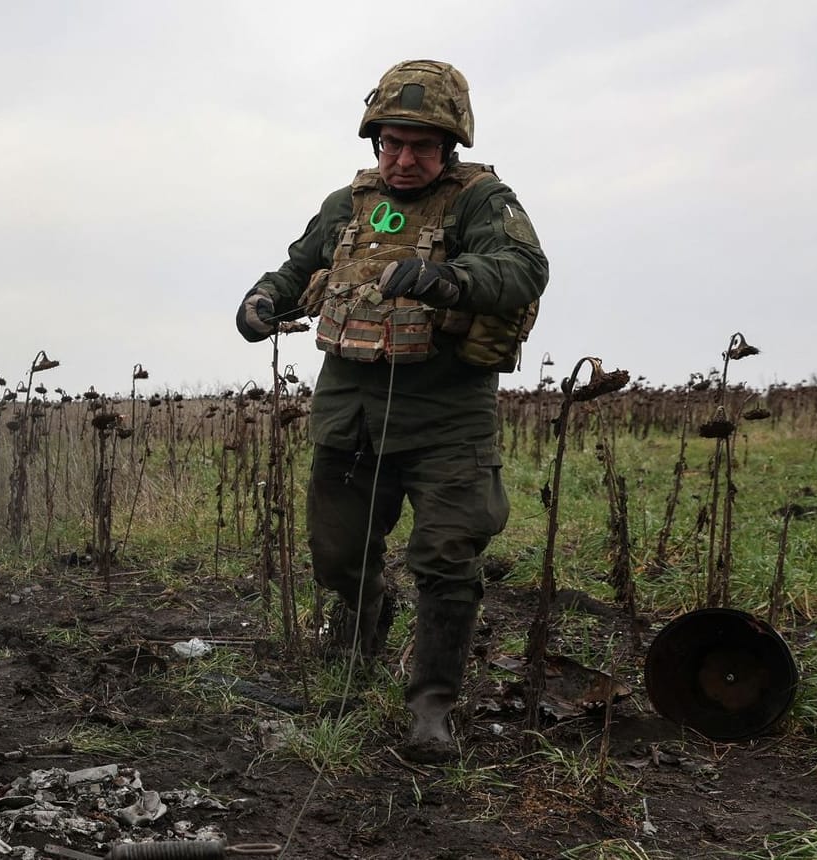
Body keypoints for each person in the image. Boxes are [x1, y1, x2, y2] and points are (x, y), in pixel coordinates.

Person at [234, 59, 548, 763]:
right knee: (340, 556)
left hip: (447, 418)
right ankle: (360, 642)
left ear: (450, 146)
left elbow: (524, 269)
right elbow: (295, 268)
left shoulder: (481, 201)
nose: (405, 160)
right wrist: (260, 301)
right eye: (392, 144)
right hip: (351, 414)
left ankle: (433, 705)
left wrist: (446, 278)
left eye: (422, 147)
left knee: (445, 557)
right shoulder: (348, 205)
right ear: (375, 142)